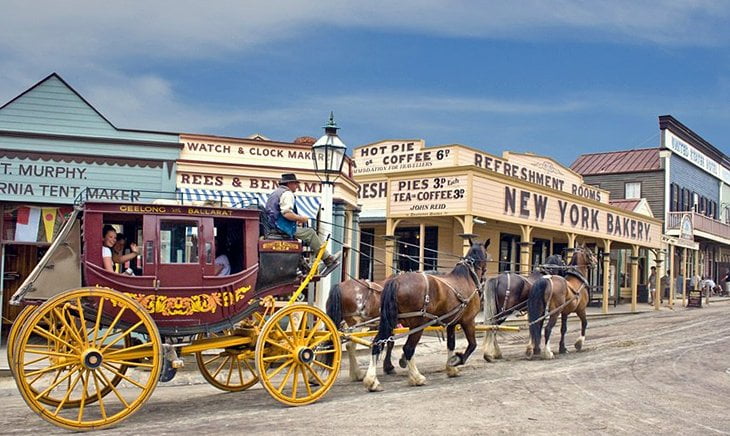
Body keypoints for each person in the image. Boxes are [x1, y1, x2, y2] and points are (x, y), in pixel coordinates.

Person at [265, 173, 341, 276]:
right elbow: (286, 213)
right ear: (289, 183)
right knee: (310, 233)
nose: (297, 186)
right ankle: (328, 259)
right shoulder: (287, 194)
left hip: (274, 227)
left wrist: (296, 219)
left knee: (299, 239)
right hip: (281, 228)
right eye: (295, 184)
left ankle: (304, 266)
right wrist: (301, 218)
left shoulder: (275, 193)